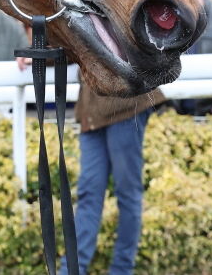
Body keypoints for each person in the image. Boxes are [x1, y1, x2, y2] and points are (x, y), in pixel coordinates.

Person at [61, 85, 161, 275]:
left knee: (126, 193)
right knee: (89, 194)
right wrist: (35, 55)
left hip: (126, 104)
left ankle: (121, 270)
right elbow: (71, 53)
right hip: (91, 112)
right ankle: (72, 269)